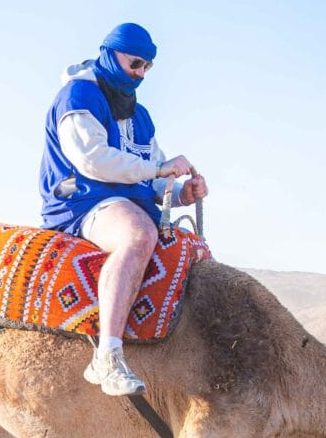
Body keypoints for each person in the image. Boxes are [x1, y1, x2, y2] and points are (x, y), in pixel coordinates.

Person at [39, 23, 208, 396]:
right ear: (112, 53)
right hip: (81, 200)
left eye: (147, 67)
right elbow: (93, 160)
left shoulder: (139, 115)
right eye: (136, 64)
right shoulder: (79, 95)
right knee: (139, 235)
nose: (141, 73)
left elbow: (151, 174)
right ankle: (108, 356)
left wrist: (182, 193)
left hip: (126, 199)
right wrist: (159, 170)